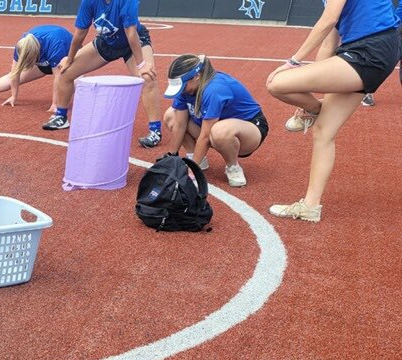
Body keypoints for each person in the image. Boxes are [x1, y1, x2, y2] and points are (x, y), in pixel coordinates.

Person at [266, 0, 399, 221]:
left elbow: (328, 20)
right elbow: (329, 44)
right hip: (367, 51)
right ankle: (310, 207)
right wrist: (307, 97)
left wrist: (293, 61)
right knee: (323, 131)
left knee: (276, 83)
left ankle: (315, 110)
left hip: (369, 50)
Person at [42, 0, 163, 150]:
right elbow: (80, 33)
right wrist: (70, 59)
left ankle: (155, 131)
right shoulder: (89, 2)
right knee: (65, 72)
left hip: (134, 42)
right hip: (107, 41)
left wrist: (141, 65)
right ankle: (61, 116)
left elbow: (131, 33)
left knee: (147, 78)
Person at [162, 55, 268, 188]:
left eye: (183, 86)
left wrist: (191, 171)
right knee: (171, 116)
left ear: (196, 76)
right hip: (214, 125)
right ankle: (195, 157)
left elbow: (205, 136)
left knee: (220, 131)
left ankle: (233, 167)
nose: (181, 90)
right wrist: (171, 157)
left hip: (249, 130)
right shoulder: (186, 89)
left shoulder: (214, 89)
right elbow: (179, 125)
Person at [0, 25, 72, 109]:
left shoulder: (55, 45)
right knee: (11, 77)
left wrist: (55, 104)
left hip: (69, 60)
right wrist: (13, 96)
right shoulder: (21, 45)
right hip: (45, 59)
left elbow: (58, 78)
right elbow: (14, 73)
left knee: (69, 82)